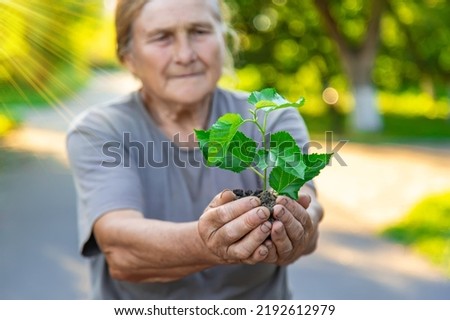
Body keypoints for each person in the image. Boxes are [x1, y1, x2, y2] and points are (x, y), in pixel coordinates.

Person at [66, 0, 324, 299]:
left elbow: (307, 204)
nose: (185, 55)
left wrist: (301, 225)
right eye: (162, 37)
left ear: (223, 40)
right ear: (129, 57)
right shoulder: (100, 130)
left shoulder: (272, 114)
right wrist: (209, 241)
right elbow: (121, 250)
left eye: (199, 31)